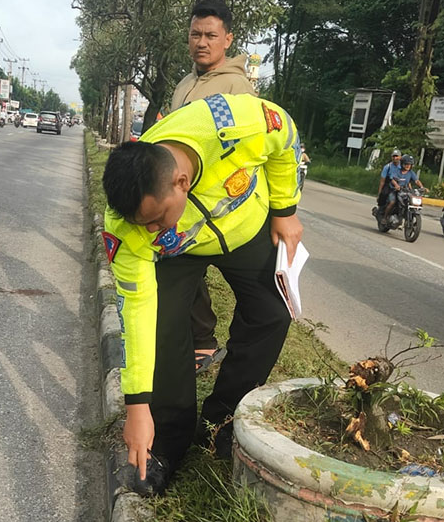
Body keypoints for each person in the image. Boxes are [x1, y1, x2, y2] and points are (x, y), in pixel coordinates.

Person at [101, 93, 303, 495]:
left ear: (181, 182)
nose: (150, 231)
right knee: (161, 326)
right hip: (181, 251)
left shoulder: (234, 123)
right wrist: (137, 409)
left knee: (273, 313)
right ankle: (166, 444)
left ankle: (220, 424)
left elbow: (286, 135)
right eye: (143, 224)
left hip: (244, 228)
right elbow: (135, 314)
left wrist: (285, 208)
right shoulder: (131, 228)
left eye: (156, 219)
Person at [171, 0, 257, 374]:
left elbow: (251, 144)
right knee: (181, 265)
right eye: (195, 34)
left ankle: (218, 350)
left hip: (225, 205)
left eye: (210, 35)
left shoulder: (238, 86)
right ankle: (202, 343)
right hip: (185, 199)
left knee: (252, 287)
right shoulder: (185, 84)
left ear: (227, 39)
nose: (201, 42)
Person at [383, 154, 424, 218]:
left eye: (410, 164)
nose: (408, 166)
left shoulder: (411, 173)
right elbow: (392, 179)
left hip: (405, 191)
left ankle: (403, 216)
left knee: (409, 202)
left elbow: (416, 181)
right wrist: (396, 185)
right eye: (406, 164)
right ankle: (385, 217)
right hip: (394, 190)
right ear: (402, 164)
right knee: (392, 202)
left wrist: (422, 187)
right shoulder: (397, 171)